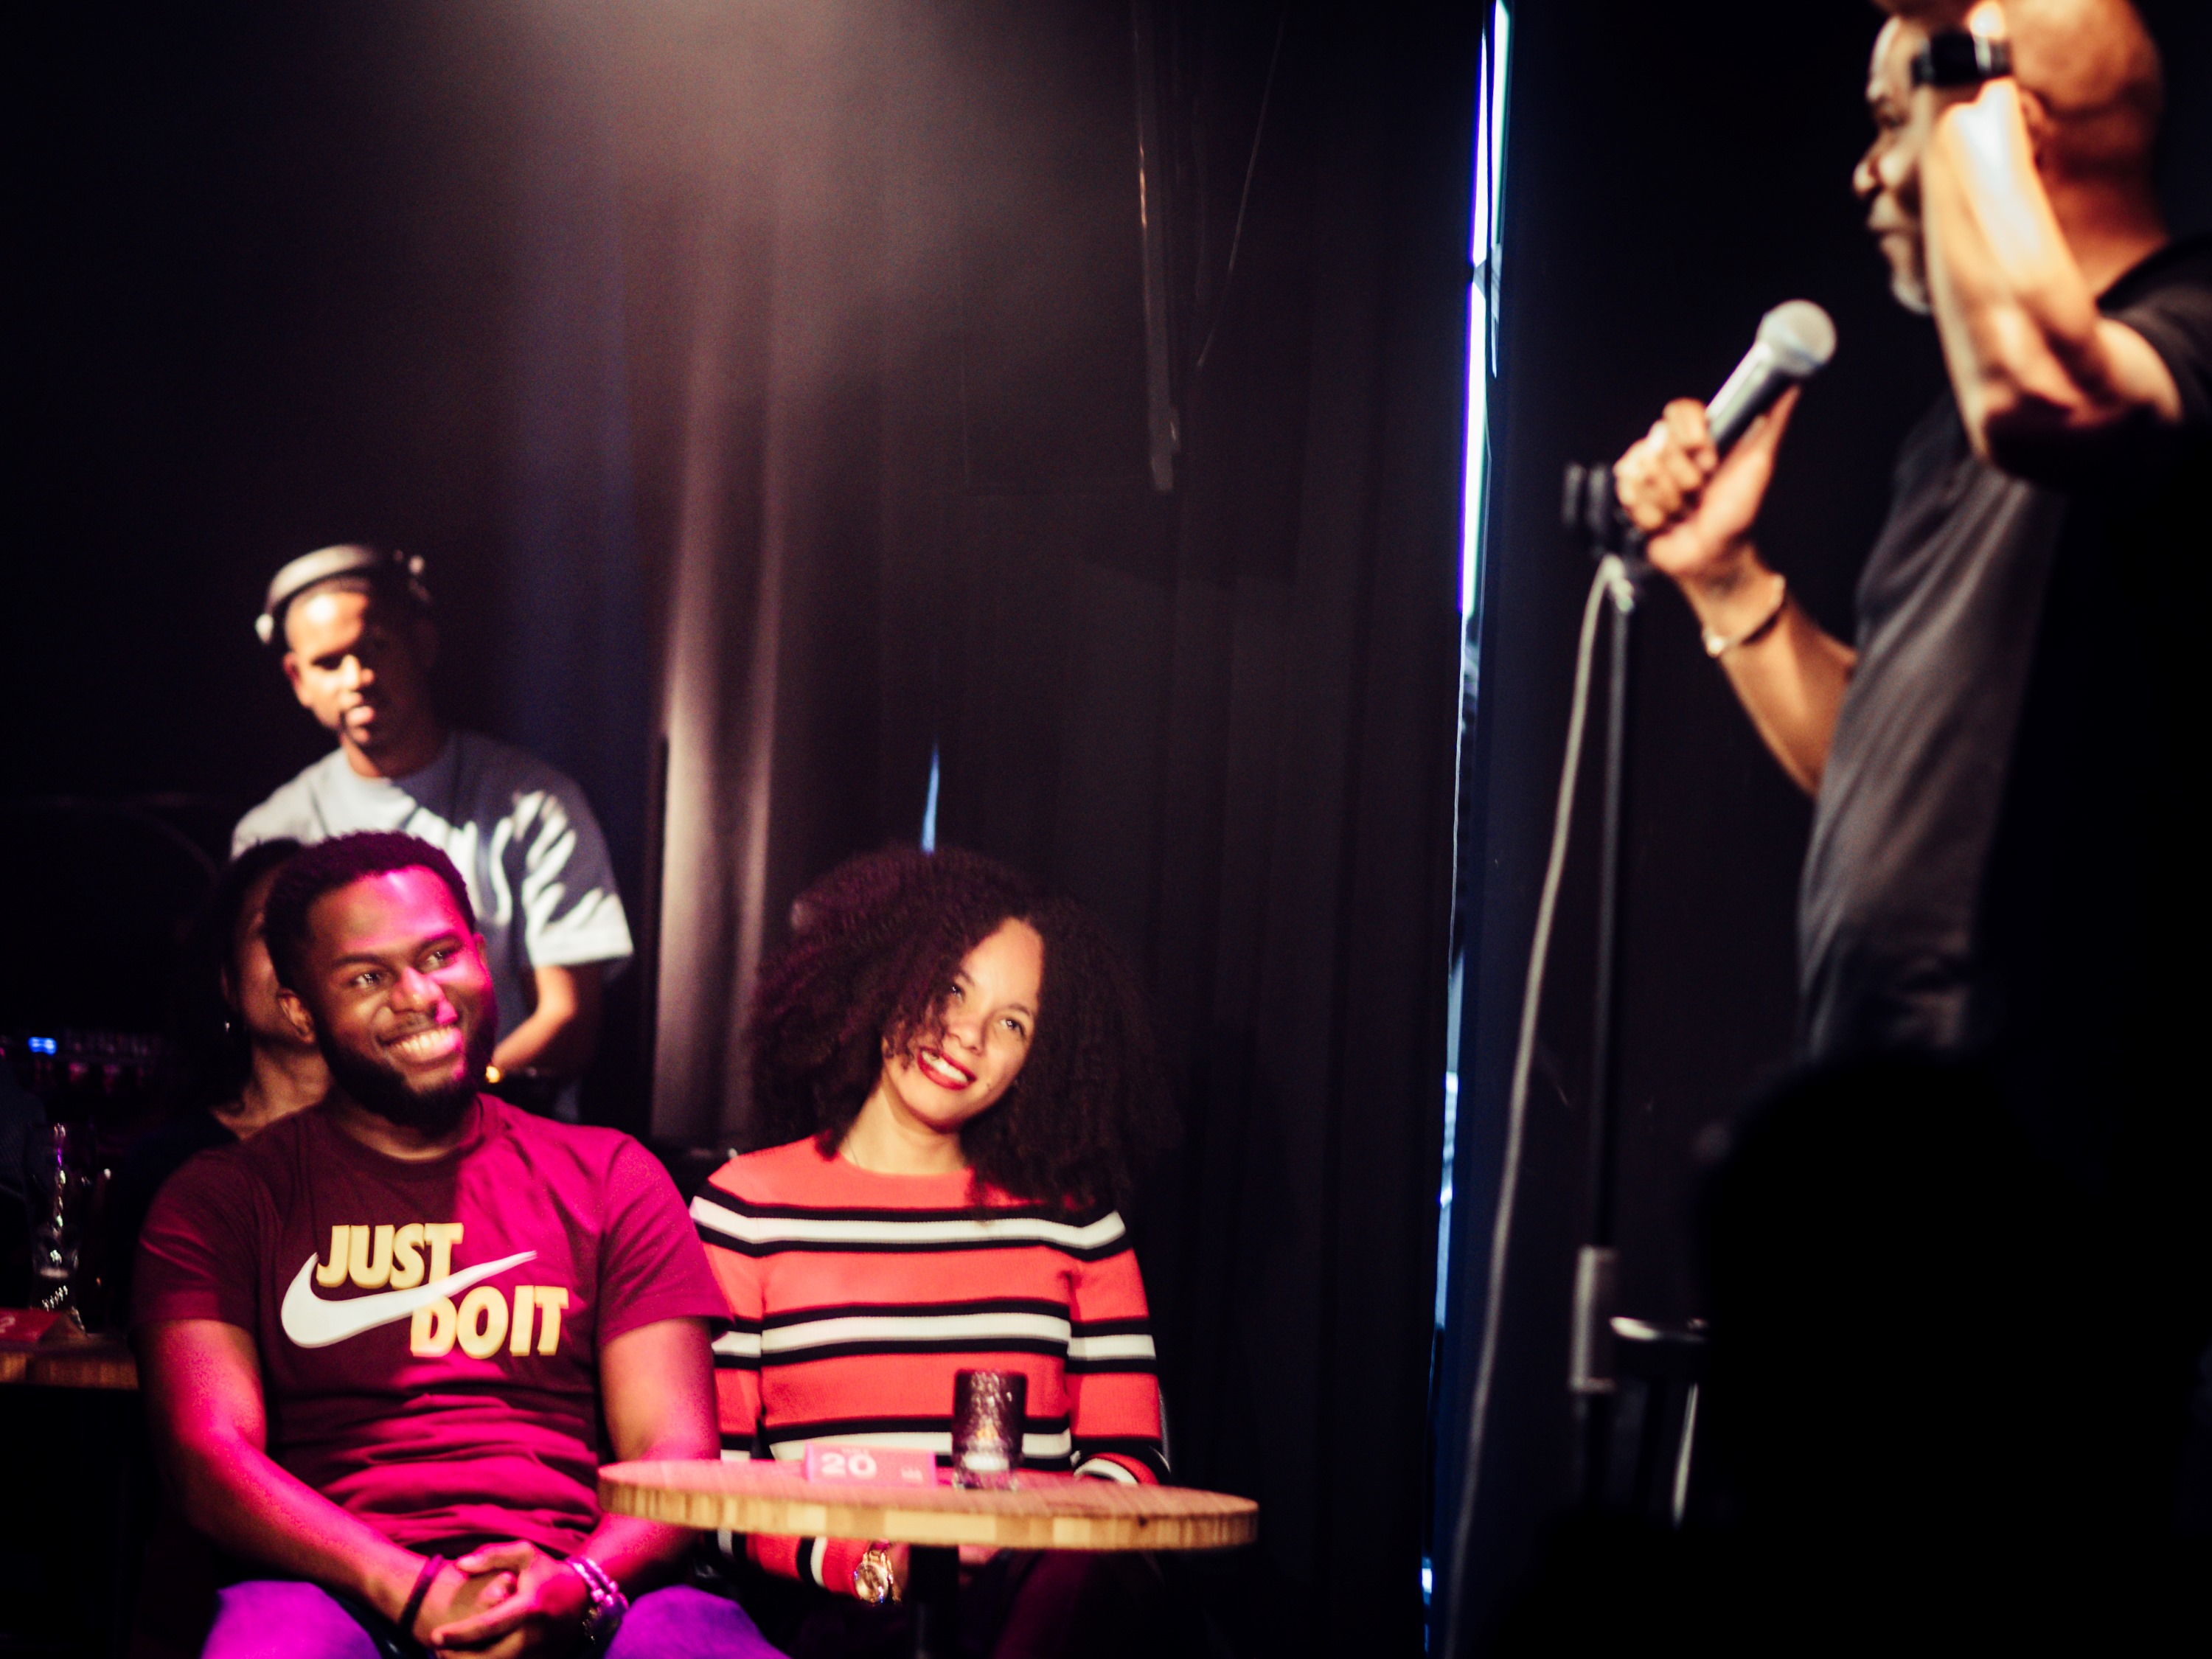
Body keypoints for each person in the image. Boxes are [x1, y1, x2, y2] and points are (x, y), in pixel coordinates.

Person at [1613, 0, 2208, 1542]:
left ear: (2013, 119)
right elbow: (1886, 771)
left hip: (2044, 1195)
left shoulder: (2188, 328)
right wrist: (1725, 581)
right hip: (1894, 1176)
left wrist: (1967, 61)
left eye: (1897, 119)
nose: (1870, 172)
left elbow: (2057, 391)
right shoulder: (1951, 440)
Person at [132, 832, 774, 1658]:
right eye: (367, 977)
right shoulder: (224, 1199)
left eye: (439, 955)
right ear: (300, 1010)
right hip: (332, 1589)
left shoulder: (610, 1176)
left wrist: (574, 1585)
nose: (419, 995)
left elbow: (673, 1453)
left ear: (480, 955)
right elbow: (206, 1458)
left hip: (582, 1583)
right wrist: (409, 1588)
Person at [694, 846, 1178, 1658]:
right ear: (890, 974)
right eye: (952, 988)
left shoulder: (1077, 1225)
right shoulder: (745, 1208)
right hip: (839, 1607)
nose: (968, 1037)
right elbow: (712, 1488)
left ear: (1043, 1059)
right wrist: (876, 1572)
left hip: (1037, 1603)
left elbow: (1131, 1461)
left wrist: (1032, 1549)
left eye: (1013, 1023)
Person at [233, 545, 633, 1116]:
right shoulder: (271, 833)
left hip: (501, 1131)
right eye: (329, 663)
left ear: (422, 642)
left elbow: (567, 1020)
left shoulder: (536, 806)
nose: (358, 678)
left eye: (376, 647)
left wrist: (446, 1103)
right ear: (297, 679)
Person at [102, 838, 330, 1325]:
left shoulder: (413, 1153)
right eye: (270, 928)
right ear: (228, 983)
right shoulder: (170, 1165)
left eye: (319, 926)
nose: (297, 949)